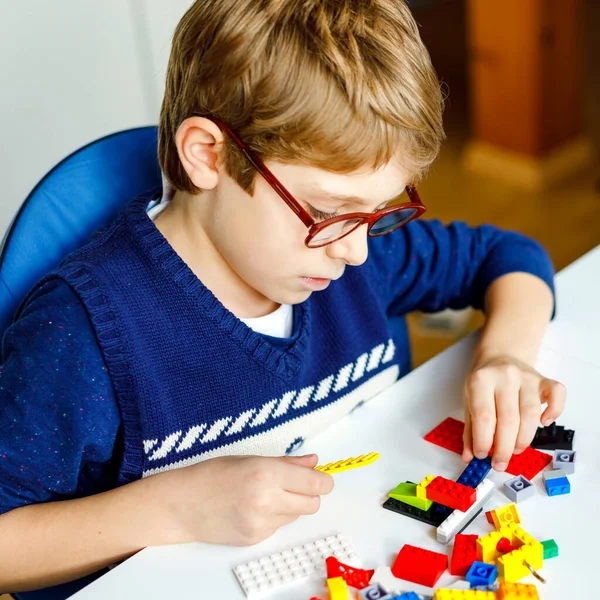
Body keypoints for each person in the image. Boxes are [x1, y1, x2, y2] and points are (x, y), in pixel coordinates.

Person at [0, 0, 565, 592]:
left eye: (377, 214)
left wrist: (506, 355)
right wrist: (168, 509)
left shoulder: (343, 252)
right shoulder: (83, 333)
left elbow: (509, 257)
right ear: (208, 155)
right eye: (326, 212)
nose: (357, 252)